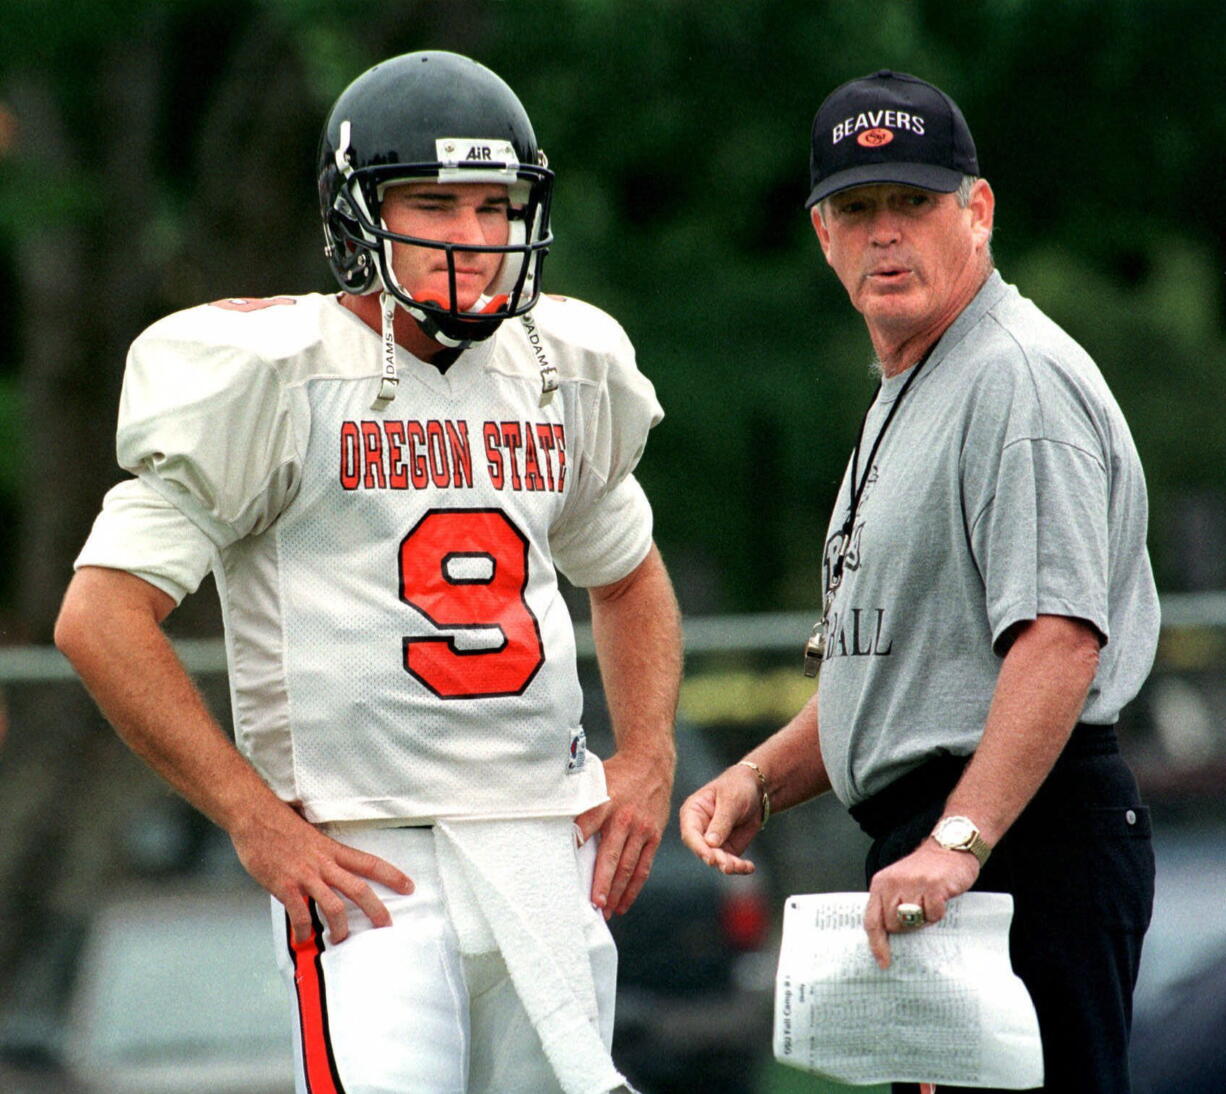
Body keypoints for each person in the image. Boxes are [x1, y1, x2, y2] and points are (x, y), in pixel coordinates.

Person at [55, 51, 681, 1094]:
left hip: (542, 843)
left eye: (496, 205)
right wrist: (255, 819)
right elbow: (99, 614)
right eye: (432, 203)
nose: (472, 239)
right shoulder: (273, 373)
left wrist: (648, 755)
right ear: (356, 217)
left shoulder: (559, 366)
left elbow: (628, 575)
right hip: (368, 867)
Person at [680, 69, 1158, 1094]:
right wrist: (758, 779)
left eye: (912, 201)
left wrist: (957, 838)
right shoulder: (917, 381)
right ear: (821, 234)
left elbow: (1059, 639)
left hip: (1023, 843)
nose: (883, 233)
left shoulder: (1009, 377)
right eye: (855, 208)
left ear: (975, 212)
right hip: (953, 851)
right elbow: (907, 671)